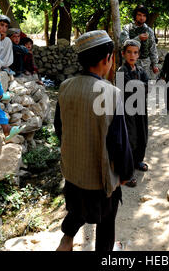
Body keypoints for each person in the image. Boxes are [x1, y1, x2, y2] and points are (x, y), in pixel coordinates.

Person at [54, 30, 134, 251]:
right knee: (107, 221)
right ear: (106, 59)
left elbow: (59, 128)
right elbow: (119, 142)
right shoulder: (111, 93)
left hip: (73, 172)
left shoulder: (65, 87)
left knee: (77, 209)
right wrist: (126, 173)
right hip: (100, 179)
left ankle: (66, 240)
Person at [116, 39, 150, 187]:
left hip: (140, 108)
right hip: (126, 110)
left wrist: (138, 86)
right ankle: (126, 172)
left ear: (139, 55)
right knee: (130, 138)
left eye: (135, 52)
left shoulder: (141, 71)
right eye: (129, 52)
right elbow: (125, 89)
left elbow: (147, 87)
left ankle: (137, 161)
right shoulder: (121, 71)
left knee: (142, 135)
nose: (132, 55)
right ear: (123, 54)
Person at [120, 5, 159, 79]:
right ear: (135, 16)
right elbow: (123, 44)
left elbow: (153, 49)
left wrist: (155, 65)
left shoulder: (149, 31)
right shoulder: (127, 28)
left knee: (144, 87)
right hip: (129, 64)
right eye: (139, 15)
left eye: (144, 16)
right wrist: (138, 38)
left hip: (145, 65)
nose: (142, 18)